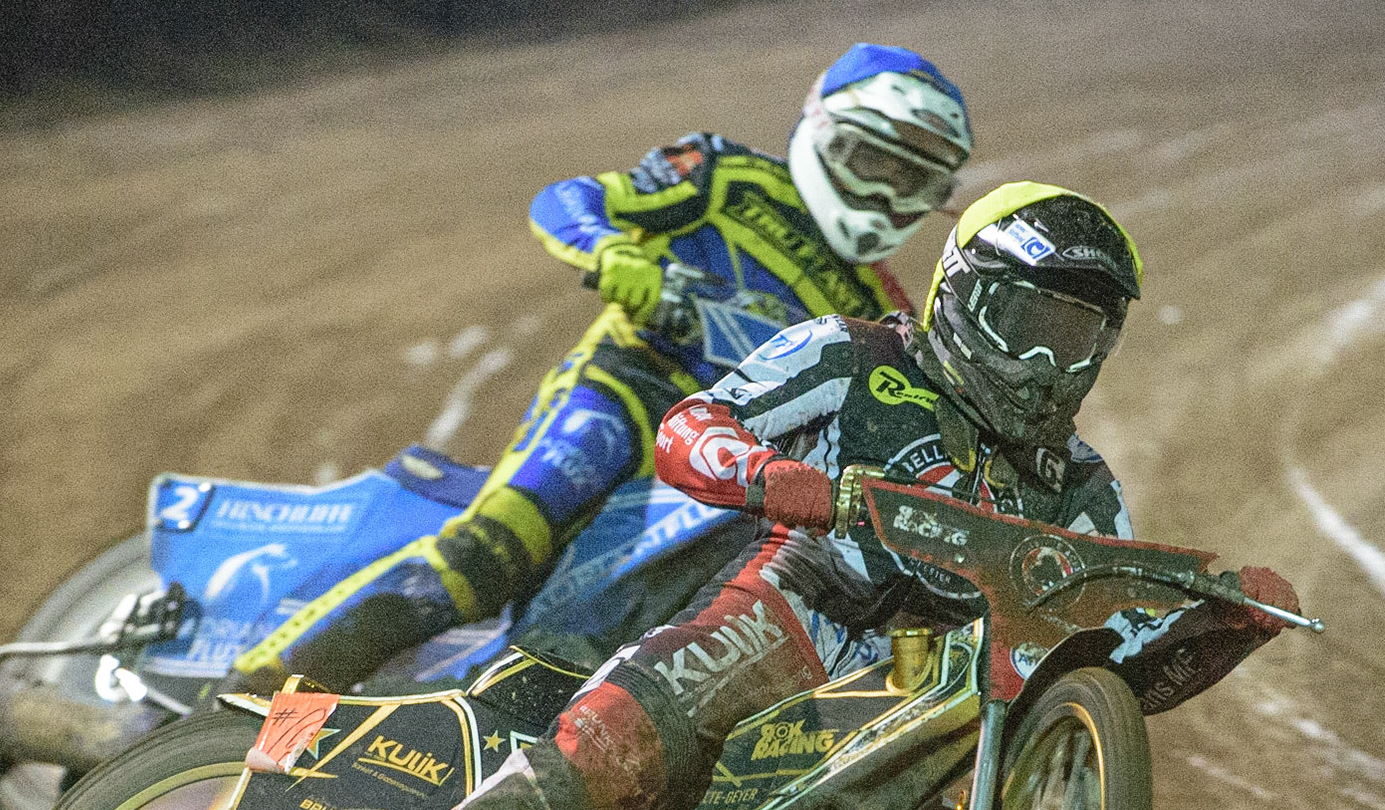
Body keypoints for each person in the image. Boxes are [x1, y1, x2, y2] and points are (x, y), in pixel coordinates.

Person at [281, 182, 1302, 810]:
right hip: (784, 628)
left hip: (911, 725)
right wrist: (780, 481)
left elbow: (1086, 666)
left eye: (1075, 334)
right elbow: (693, 429)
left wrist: (1208, 635)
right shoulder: (855, 357)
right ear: (957, 295)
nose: (1045, 360)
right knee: (611, 754)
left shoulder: (1088, 490)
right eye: (1025, 320)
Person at [228, 43, 975, 692]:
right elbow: (570, 198)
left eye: (911, 182)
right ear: (825, 133)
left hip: (731, 476)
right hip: (629, 394)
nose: (883, 195)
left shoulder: (881, 308)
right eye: (874, 162)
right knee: (493, 551)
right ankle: (247, 694)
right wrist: (614, 252)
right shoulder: (727, 179)